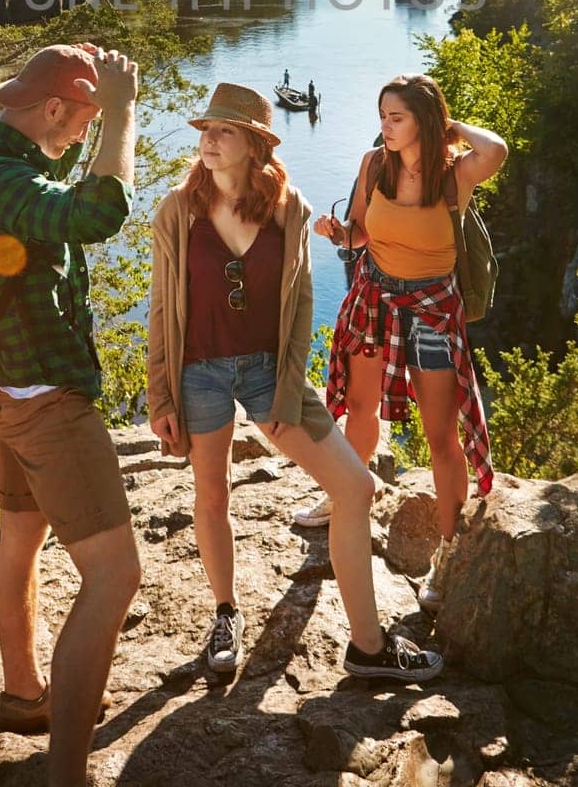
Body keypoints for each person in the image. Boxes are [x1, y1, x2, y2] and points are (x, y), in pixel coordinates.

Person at [148, 82, 444, 683]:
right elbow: (160, 308)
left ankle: (367, 648)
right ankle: (225, 615)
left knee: (356, 489)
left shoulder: (288, 207)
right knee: (212, 496)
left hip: (266, 371)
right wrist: (161, 396)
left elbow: (301, 306)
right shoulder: (177, 209)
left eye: (223, 130)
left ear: (254, 143)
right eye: (204, 129)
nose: (207, 140)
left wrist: (285, 390)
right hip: (197, 370)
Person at [0, 43, 140, 787]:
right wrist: (121, 111)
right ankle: (68, 773)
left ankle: (24, 696)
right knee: (114, 576)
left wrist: (99, 124)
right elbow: (96, 212)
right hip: (43, 402)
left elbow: (61, 184)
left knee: (22, 536)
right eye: (76, 122)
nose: (73, 141)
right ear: (55, 108)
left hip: (8, 393)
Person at [301, 74, 506, 614]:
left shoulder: (454, 175)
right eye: (383, 117)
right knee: (362, 409)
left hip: (432, 309)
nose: (385, 128)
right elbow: (361, 234)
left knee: (442, 435)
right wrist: (336, 234)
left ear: (425, 122)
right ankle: (341, 495)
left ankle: (448, 548)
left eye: (398, 118)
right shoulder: (374, 165)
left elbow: (497, 149)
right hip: (375, 295)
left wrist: (448, 126)